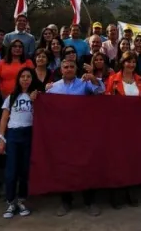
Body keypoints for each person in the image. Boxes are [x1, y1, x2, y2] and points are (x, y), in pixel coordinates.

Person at [46, 59, 104, 217]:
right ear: (61, 69)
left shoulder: (85, 83)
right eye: (66, 67)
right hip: (62, 135)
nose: (69, 69)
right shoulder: (53, 87)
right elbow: (46, 108)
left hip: (82, 133)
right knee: (64, 167)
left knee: (86, 166)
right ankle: (66, 201)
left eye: (72, 67)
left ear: (76, 69)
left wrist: (93, 77)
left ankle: (90, 201)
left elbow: (100, 91)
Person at [104, 51, 141, 208]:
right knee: (116, 159)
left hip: (134, 125)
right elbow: (107, 100)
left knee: (132, 158)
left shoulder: (140, 80)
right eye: (128, 61)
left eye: (133, 62)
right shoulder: (113, 79)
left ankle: (130, 190)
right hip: (116, 125)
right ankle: (115, 193)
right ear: (122, 62)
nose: (131, 64)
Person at [0, 68, 37, 219]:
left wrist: (36, 98)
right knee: (11, 170)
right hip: (13, 134)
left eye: (28, 77)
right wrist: (1, 137)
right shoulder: (11, 97)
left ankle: (21, 200)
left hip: (29, 133)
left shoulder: (35, 96)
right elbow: (4, 118)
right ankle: (10, 202)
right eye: (23, 77)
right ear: (18, 79)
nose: (25, 79)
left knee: (24, 170)